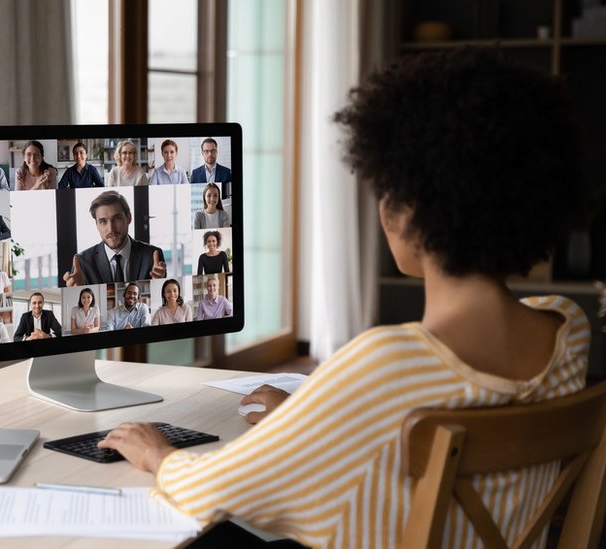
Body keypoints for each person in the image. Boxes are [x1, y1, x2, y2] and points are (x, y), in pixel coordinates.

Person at [98, 48, 587, 546]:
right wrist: (310, 416)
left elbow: (217, 488)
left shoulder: (390, 363)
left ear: (406, 210)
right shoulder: (568, 329)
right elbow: (388, 414)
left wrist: (158, 454)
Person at [63, 190, 166, 286]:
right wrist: (78, 289)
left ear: (129, 218)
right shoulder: (82, 262)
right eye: (103, 221)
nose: (111, 229)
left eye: (117, 218)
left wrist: (158, 285)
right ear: (97, 225)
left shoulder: (152, 256)